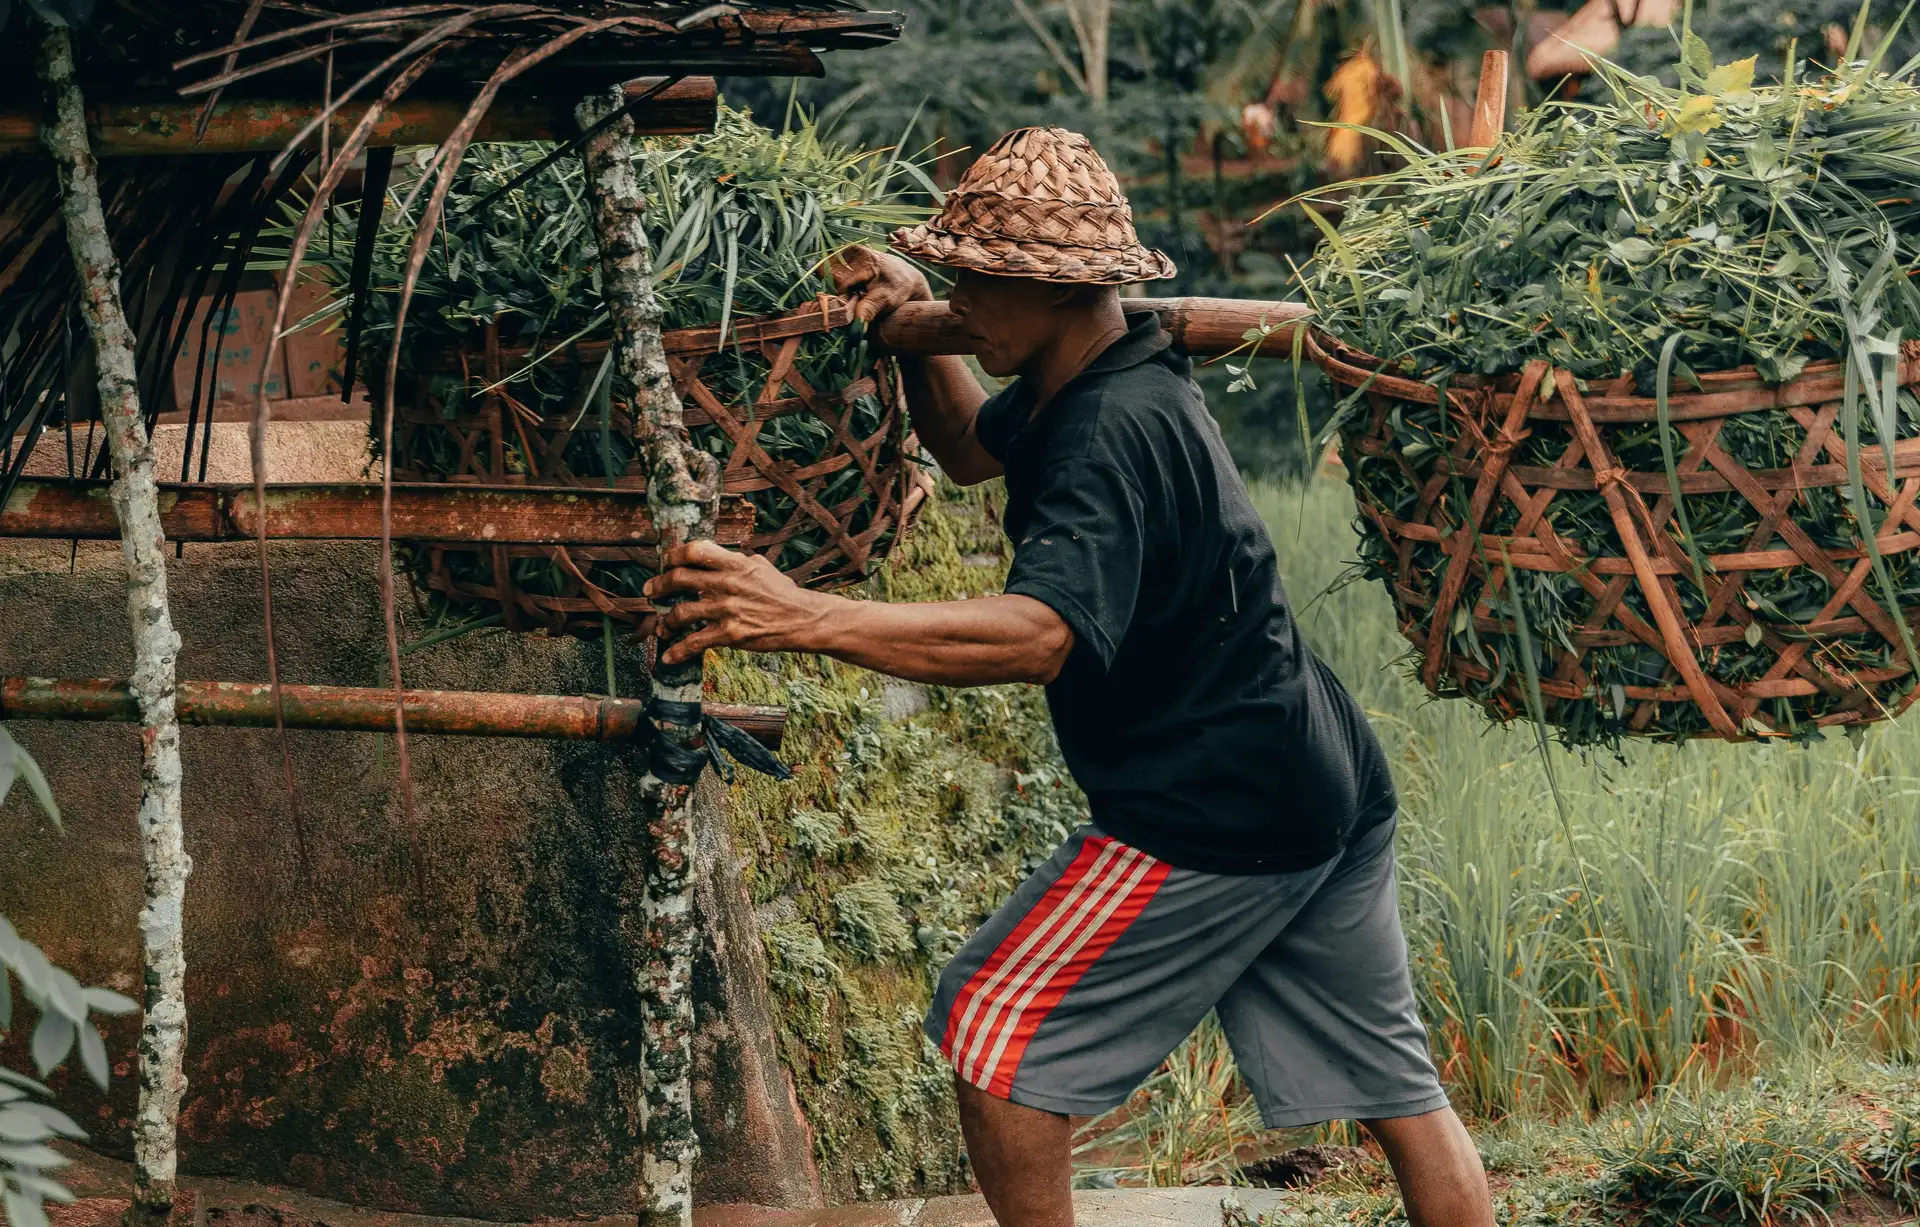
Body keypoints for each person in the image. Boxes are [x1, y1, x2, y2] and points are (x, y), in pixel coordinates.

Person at [642, 127, 1494, 1227]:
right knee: (1399, 1092)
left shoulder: (1108, 429)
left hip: (1213, 805)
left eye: (981, 285)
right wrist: (916, 337)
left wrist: (802, 615)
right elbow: (963, 450)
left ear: (1060, 288)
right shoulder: (1103, 369)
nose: (962, 300)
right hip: (1318, 776)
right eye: (952, 278)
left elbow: (1040, 635)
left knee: (994, 1030)